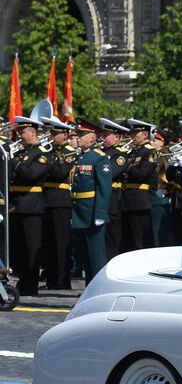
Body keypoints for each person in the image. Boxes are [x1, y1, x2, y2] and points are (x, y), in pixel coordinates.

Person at [7, 116, 48, 295]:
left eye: (22, 132)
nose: (20, 136)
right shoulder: (22, 153)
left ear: (32, 132)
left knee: (32, 248)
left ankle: (31, 285)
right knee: (20, 247)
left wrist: (15, 161)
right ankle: (23, 283)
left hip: (32, 205)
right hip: (17, 204)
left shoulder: (42, 154)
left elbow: (31, 175)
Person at [70, 119, 113, 282]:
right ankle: (89, 291)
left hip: (92, 212)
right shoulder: (82, 157)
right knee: (85, 258)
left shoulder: (99, 158)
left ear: (92, 138)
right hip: (80, 213)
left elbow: (104, 188)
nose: (78, 138)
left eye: (82, 135)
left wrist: (100, 213)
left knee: (96, 258)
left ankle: (100, 290)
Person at [39, 117, 75, 289]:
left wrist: (48, 162)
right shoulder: (49, 151)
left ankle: (62, 280)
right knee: (48, 242)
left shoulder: (70, 152)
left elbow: (60, 173)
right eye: (52, 132)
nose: (52, 135)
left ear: (65, 134)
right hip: (45, 199)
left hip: (60, 201)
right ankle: (51, 278)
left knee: (61, 243)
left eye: (56, 133)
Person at [119, 119, 157, 253]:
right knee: (128, 242)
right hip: (128, 200)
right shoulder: (134, 151)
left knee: (140, 242)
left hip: (140, 201)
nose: (132, 136)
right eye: (132, 133)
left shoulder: (149, 151)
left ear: (145, 135)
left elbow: (142, 174)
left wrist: (126, 164)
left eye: (136, 133)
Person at [98, 118, 129, 261]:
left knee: (111, 238)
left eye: (106, 135)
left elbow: (110, 173)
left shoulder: (120, 154)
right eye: (102, 134)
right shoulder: (100, 152)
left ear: (116, 137)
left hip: (112, 200)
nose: (102, 137)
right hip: (100, 199)